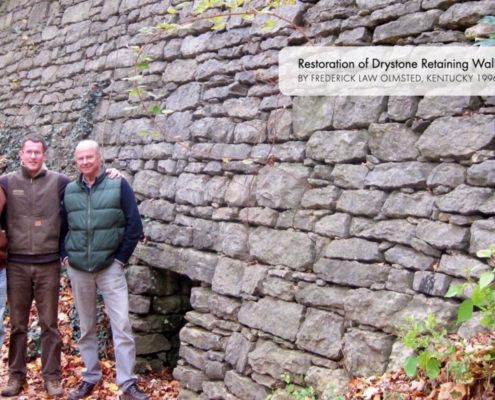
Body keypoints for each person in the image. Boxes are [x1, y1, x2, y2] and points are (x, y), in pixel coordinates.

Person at [0, 134, 122, 398]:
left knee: (49, 325)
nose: (33, 156)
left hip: (48, 264)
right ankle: (15, 376)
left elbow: (89, 184)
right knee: (18, 325)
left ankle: (52, 377)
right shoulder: (6, 182)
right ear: (20, 154)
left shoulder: (60, 182)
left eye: (38, 152)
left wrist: (111, 172)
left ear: (45, 155)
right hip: (17, 264)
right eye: (28, 152)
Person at [60, 140, 147, 400]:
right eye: (80, 159)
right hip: (78, 269)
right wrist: (64, 257)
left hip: (110, 268)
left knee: (121, 325)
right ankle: (90, 377)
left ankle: (127, 383)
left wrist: (119, 260)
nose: (85, 162)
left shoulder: (118, 184)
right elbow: (62, 229)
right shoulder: (69, 190)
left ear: (99, 157)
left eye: (89, 157)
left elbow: (135, 226)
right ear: (75, 162)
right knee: (86, 326)